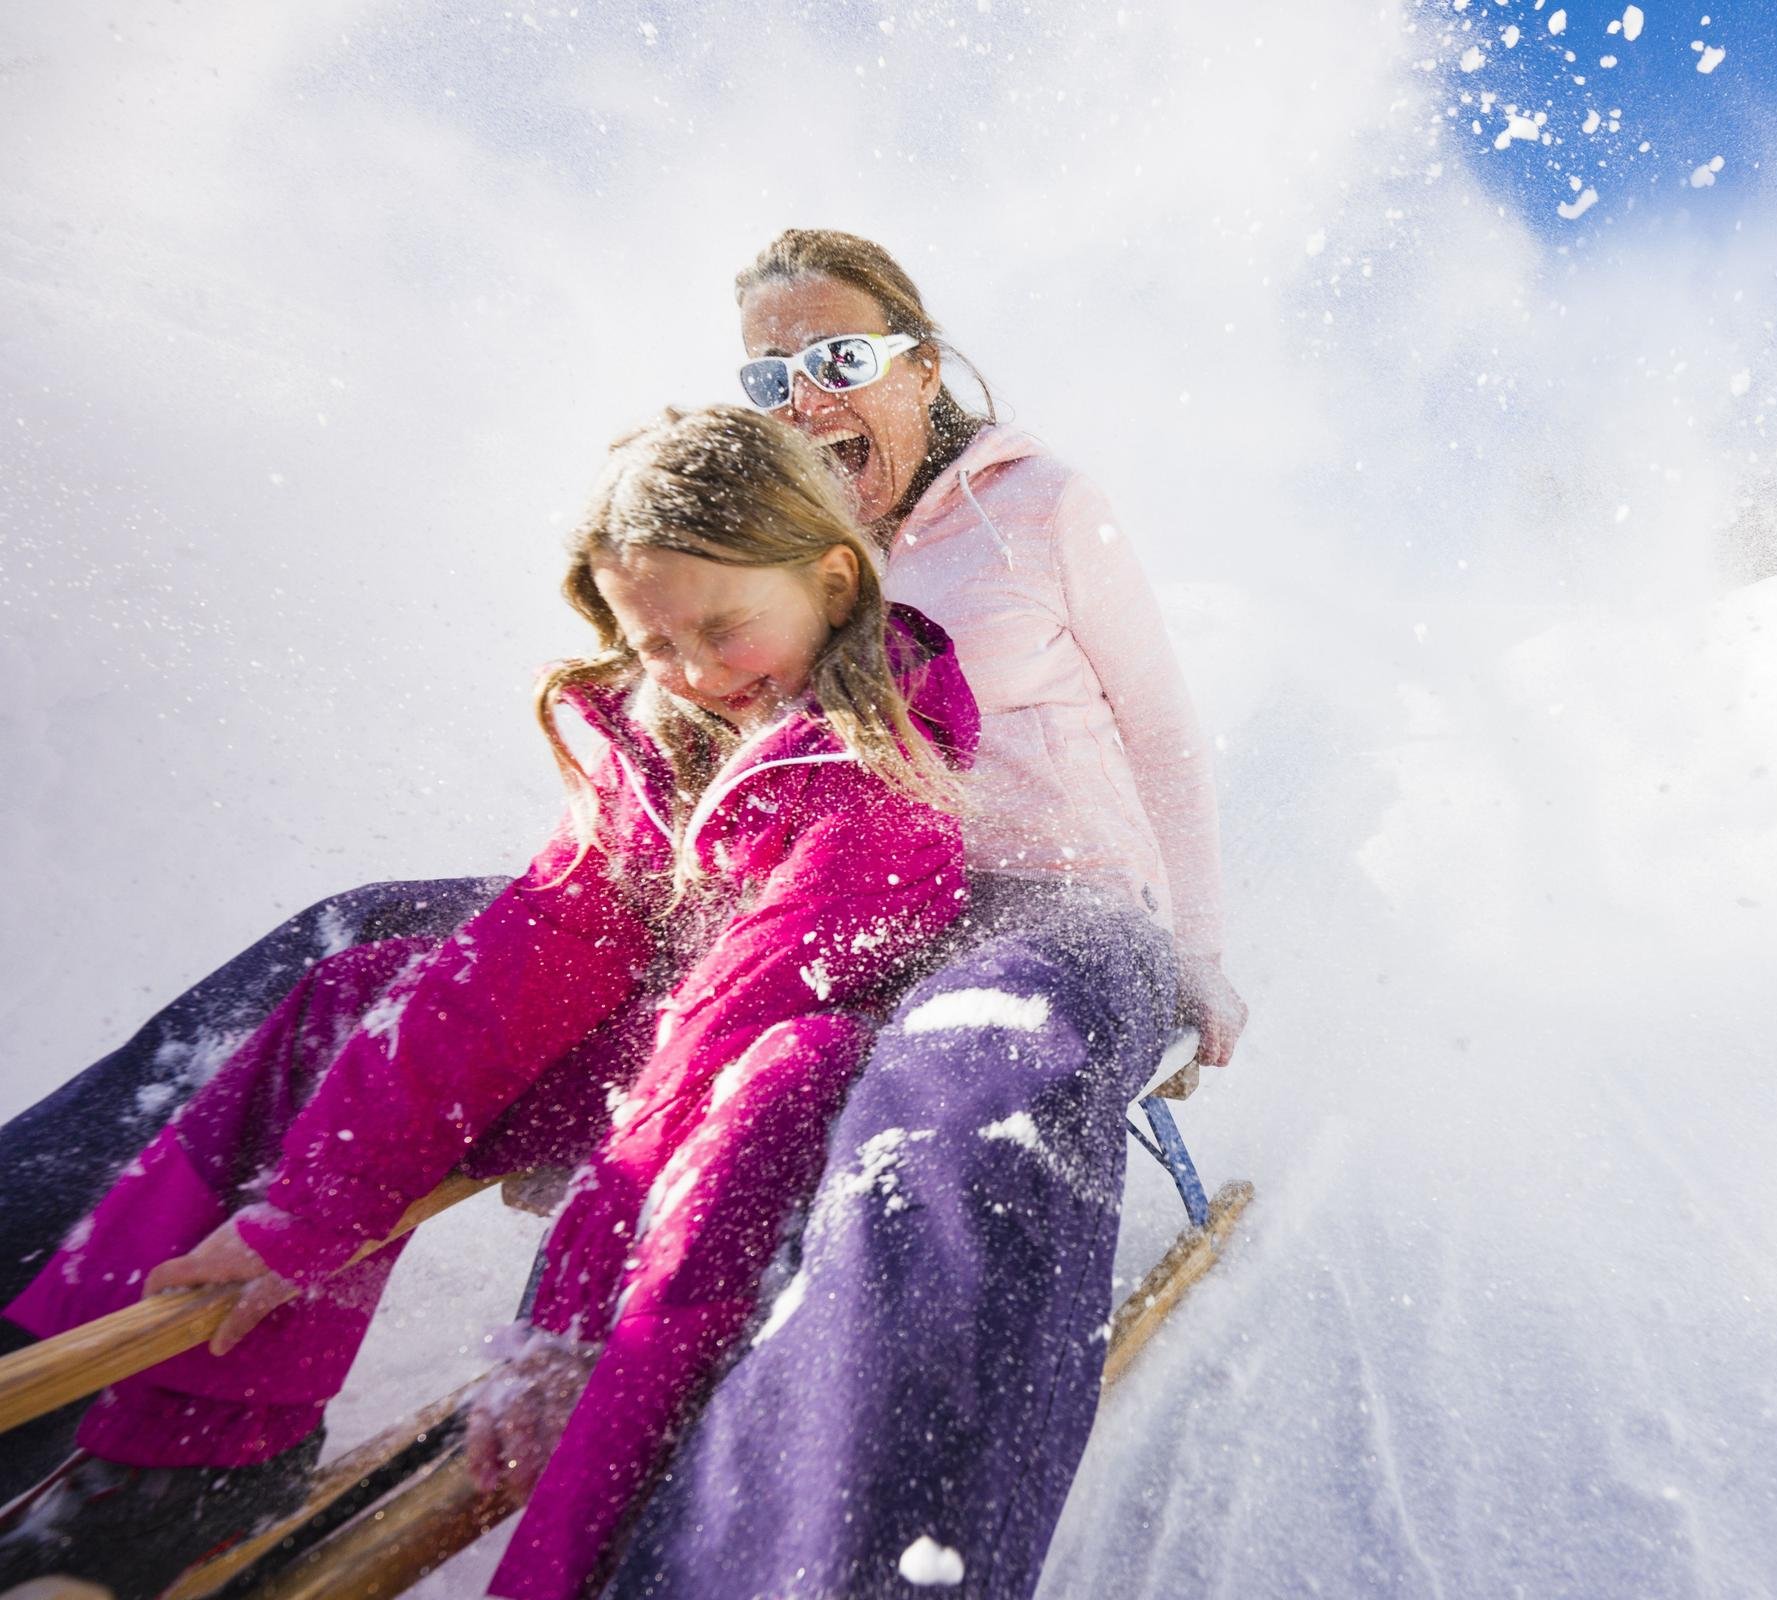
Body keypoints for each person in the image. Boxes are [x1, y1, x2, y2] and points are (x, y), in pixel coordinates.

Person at [0, 225, 1247, 1598]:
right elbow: (611, 888)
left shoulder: (1038, 509)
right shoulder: (754, 533)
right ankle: (56, 1341)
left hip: (1040, 902)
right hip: (781, 897)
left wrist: (1197, 949)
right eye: (771, 377)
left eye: (839, 357)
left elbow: (1167, 736)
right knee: (363, 943)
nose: (806, 395)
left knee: (973, 1073)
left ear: (924, 364)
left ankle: (823, 1556)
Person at [0, 406, 981, 1600]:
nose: (691, 672)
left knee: (738, 1108)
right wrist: (305, 1214)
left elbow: (720, 1032)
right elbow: (524, 961)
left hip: (788, 1095)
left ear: (834, 580)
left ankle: (598, 1523)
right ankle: (184, 1450)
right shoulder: (667, 728)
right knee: (365, 992)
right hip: (659, 1040)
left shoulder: (873, 789)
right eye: (652, 639)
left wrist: (559, 1332)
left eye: (724, 630)